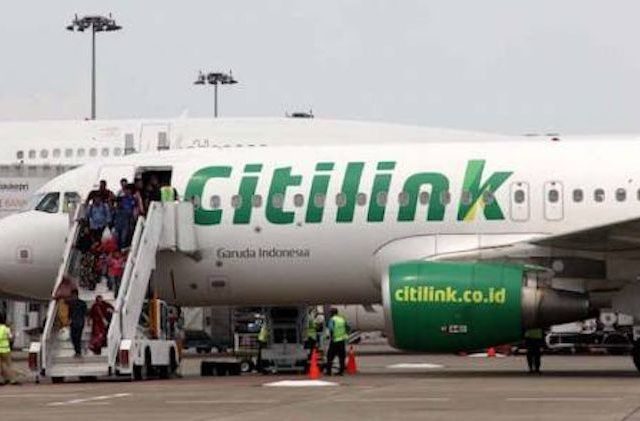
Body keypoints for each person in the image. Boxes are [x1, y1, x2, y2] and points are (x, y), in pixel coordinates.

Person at [325, 308, 350, 376]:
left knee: (330, 356)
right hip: (342, 340)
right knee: (341, 357)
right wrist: (345, 335)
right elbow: (348, 328)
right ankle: (341, 372)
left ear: (332, 313)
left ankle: (329, 371)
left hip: (335, 340)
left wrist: (331, 336)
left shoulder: (332, 319)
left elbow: (331, 328)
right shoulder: (342, 319)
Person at [67, 289, 87, 358]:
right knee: (73, 337)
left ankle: (78, 352)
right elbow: (69, 313)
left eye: (73, 295)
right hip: (73, 322)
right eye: (72, 295)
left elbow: (85, 312)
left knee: (78, 337)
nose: (73, 296)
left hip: (80, 322)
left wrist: (86, 320)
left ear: (76, 295)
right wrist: (69, 319)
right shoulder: (70, 303)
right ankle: (77, 351)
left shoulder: (82, 303)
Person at [0, 313, 18, 385]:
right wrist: (13, 335)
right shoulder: (6, 329)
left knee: (1, 365)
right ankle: (12, 380)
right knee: (9, 365)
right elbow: (10, 338)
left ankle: (2, 379)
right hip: (6, 349)